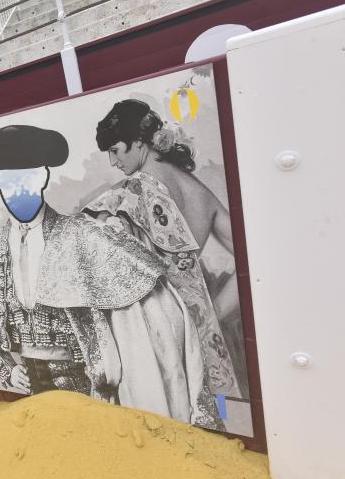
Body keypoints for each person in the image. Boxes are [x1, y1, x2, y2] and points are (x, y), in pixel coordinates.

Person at [0, 125, 222, 429]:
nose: (17, 188)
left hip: (87, 385)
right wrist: (7, 368)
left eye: (26, 176)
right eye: (7, 180)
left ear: (42, 176)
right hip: (31, 385)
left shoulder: (86, 235)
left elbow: (155, 305)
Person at [84, 99, 242, 398]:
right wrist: (212, 313)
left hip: (164, 338)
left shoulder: (131, 192)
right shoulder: (200, 192)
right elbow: (252, 260)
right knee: (221, 412)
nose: (113, 162)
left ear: (139, 142)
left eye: (115, 150)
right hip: (208, 341)